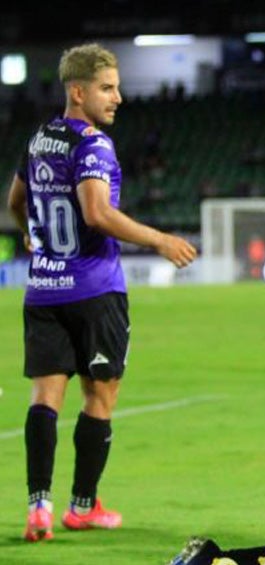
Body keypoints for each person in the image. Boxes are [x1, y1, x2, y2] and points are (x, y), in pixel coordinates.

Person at [5, 43, 197, 543]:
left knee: (44, 397)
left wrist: (33, 234)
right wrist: (159, 239)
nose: (118, 98)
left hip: (44, 289)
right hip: (94, 288)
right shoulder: (94, 144)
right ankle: (82, 506)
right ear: (77, 91)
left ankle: (37, 508)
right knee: (100, 396)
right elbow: (96, 213)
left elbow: (15, 202)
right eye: (107, 88)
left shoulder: (38, 139)